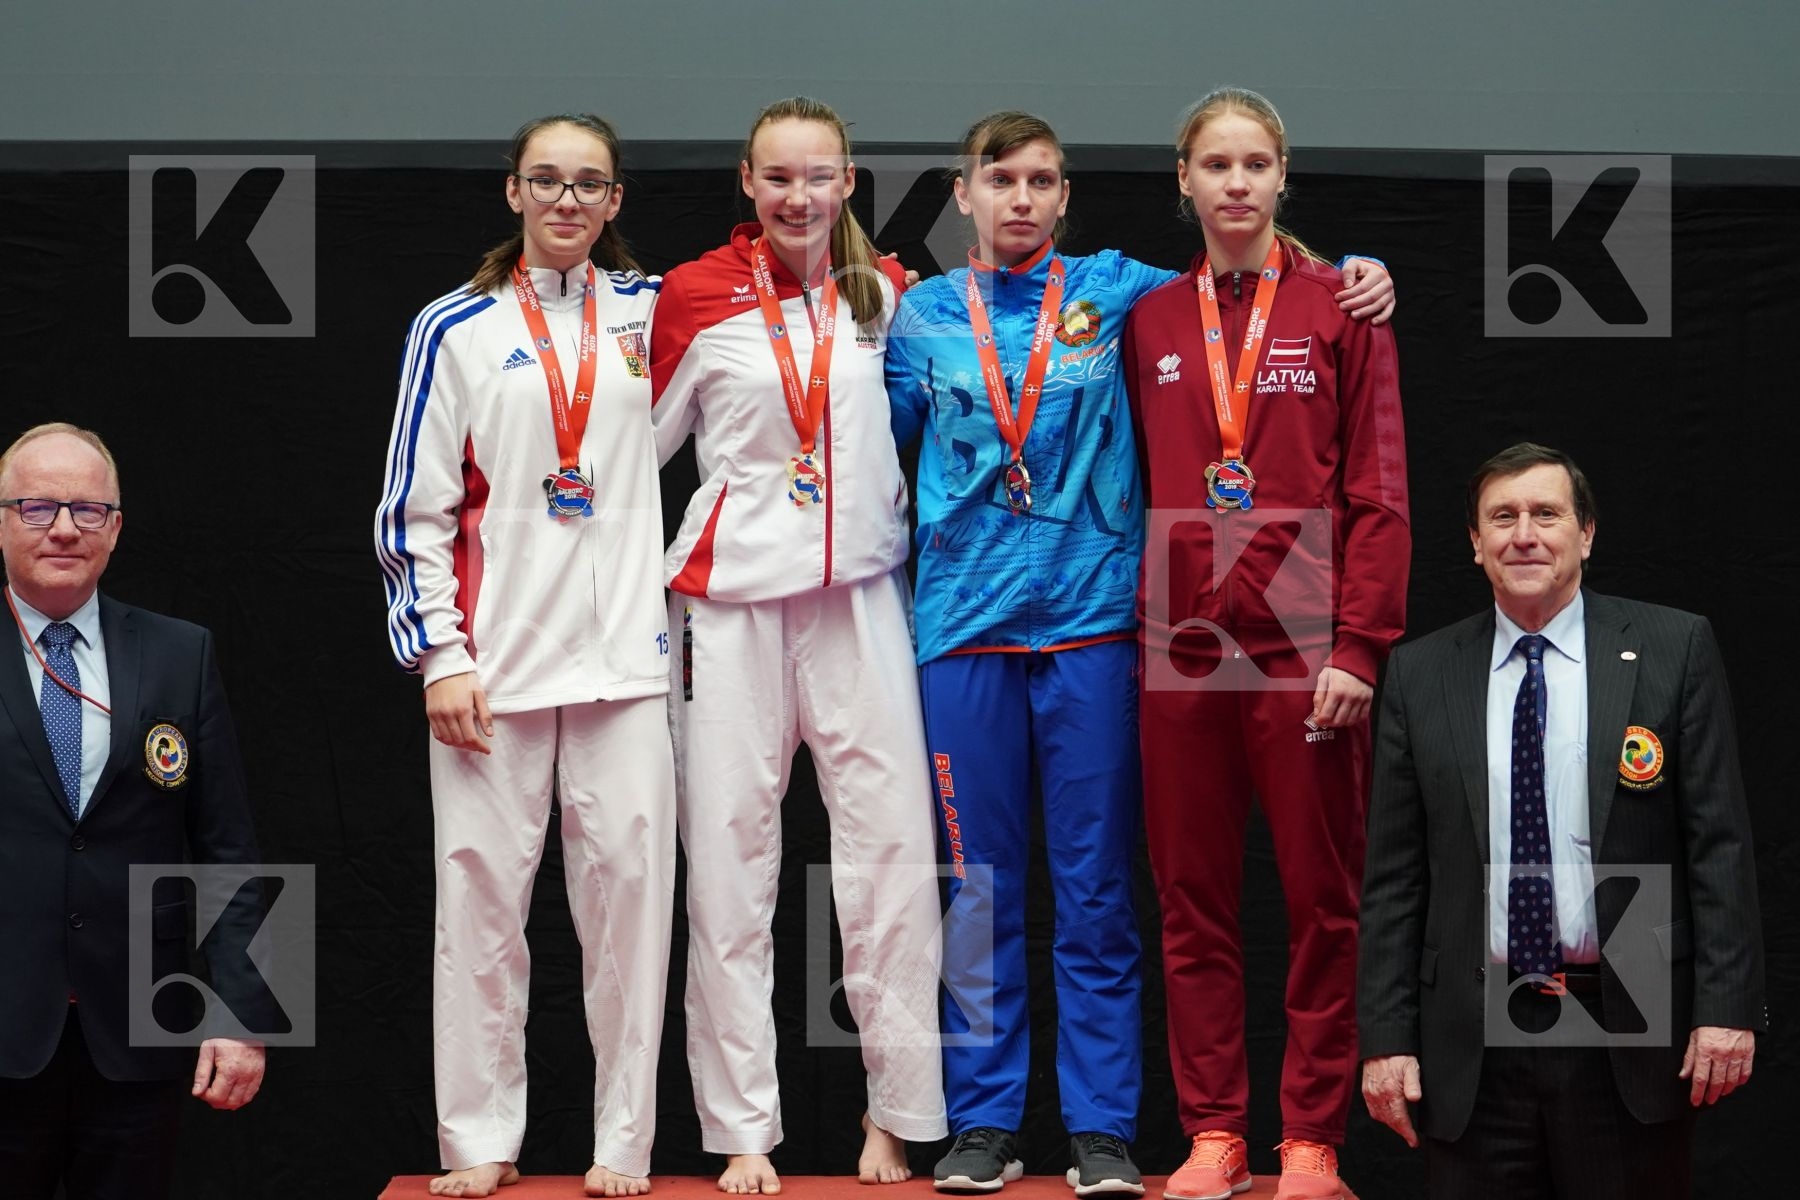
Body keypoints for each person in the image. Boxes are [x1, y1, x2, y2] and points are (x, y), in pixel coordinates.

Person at [885, 110, 1394, 1195]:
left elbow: (1247, 262)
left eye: (1042, 182)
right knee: (977, 889)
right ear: (962, 194)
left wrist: (1350, 268)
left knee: (1100, 887)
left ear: (1069, 198)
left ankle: (1105, 1126)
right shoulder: (917, 317)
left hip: (1105, 620)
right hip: (965, 626)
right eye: (999, 181)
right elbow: (873, 455)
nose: (1020, 199)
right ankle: (980, 1116)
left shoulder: (1118, 294)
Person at [648, 96, 948, 1195]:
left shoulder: (893, 296)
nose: (797, 197)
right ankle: (742, 1131)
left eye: (818, 177)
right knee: (731, 869)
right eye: (777, 177)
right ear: (745, 180)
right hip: (729, 607)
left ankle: (896, 1117)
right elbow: (633, 455)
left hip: (863, 597)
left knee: (896, 865)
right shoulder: (693, 295)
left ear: (850, 182)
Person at [375, 113, 676, 1199]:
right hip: (492, 675)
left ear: (614, 202)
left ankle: (623, 1146)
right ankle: (480, 1142)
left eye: (588, 184)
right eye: (544, 181)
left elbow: (782, 323)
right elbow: (412, 512)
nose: (565, 201)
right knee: (480, 911)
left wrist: (875, 272)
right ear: (511, 193)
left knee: (633, 917)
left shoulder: (656, 313)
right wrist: (441, 656)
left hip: (629, 671)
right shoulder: (452, 328)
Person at [1123, 86, 1410, 1200]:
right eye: (1215, 165)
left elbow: (1379, 489)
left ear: (1283, 175)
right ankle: (1213, 1131)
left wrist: (1363, 645)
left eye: (1255, 163)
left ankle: (1310, 1137)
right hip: (1179, 614)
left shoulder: (1346, 304)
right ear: (1183, 182)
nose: (1235, 183)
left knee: (1318, 897)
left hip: (1305, 617)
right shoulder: (1148, 316)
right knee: (1191, 893)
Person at [1358, 443, 1766, 1199]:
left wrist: (1727, 1011)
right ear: (1475, 543)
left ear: (1586, 534)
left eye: (1546, 514)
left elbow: (1720, 847)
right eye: (1502, 517)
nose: (1525, 534)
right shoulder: (1421, 673)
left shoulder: (1672, 649)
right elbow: (1392, 878)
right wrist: (1385, 1039)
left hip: (1630, 1013)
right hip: (1473, 1030)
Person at [0, 423, 272, 1200]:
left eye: (87, 509)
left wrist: (245, 1014)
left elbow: (232, 850)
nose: (62, 527)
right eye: (36, 506)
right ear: (2, 521)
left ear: (115, 529)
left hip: (140, 1038)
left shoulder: (180, 653)